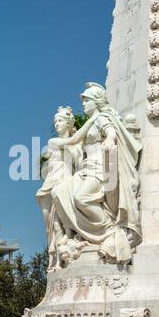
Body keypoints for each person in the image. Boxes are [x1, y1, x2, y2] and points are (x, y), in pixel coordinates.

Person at [48, 83, 142, 264]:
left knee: (81, 197)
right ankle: (85, 234)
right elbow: (75, 139)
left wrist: (109, 139)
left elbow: (111, 131)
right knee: (58, 192)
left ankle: (109, 230)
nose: (83, 104)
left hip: (100, 169)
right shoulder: (92, 120)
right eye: (83, 100)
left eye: (87, 100)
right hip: (86, 169)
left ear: (96, 101)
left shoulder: (102, 118)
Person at [36, 106, 83, 271]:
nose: (56, 124)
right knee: (49, 227)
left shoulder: (77, 146)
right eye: (55, 121)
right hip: (49, 186)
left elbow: (80, 164)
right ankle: (53, 258)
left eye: (60, 120)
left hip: (65, 186)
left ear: (69, 123)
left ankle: (61, 261)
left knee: (61, 225)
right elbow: (69, 142)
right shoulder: (53, 142)